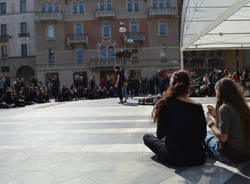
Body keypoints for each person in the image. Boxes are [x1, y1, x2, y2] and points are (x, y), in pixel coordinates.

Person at [143, 70, 207, 166]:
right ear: (188, 85)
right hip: (197, 157)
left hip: (175, 157)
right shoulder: (198, 106)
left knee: (147, 137)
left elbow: (160, 134)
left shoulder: (166, 103)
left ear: (171, 85)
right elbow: (202, 135)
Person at [204, 78, 250, 163]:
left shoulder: (224, 108)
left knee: (204, 134)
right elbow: (232, 124)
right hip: (246, 154)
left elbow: (223, 138)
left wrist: (210, 122)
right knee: (210, 134)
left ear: (220, 92)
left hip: (233, 156)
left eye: (216, 91)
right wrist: (215, 114)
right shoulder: (240, 105)